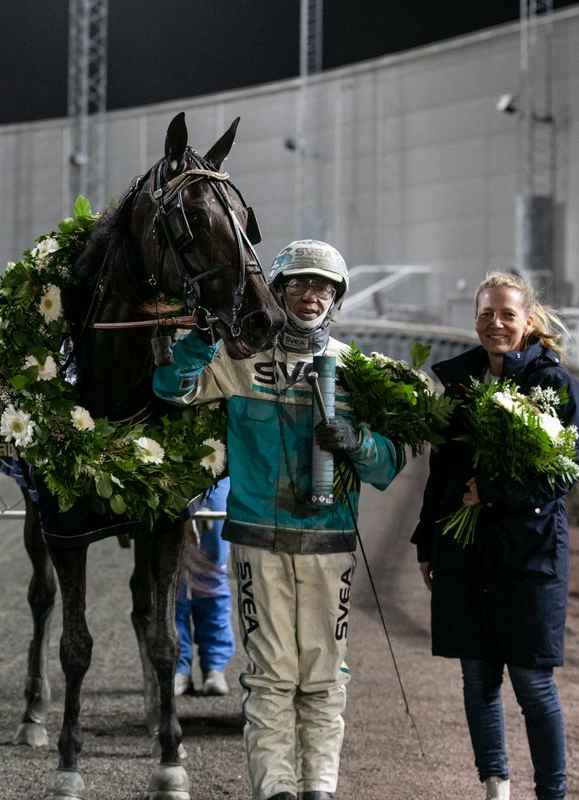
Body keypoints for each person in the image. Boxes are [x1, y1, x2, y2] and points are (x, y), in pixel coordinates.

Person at [153, 240, 404, 800]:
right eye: (299, 284)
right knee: (268, 678)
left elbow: (391, 464)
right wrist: (203, 336)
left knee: (323, 676)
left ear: (336, 298)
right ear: (278, 288)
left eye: (324, 287)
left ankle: (319, 788)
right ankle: (276, 790)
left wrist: (358, 442)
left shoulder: (359, 370)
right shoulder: (240, 360)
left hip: (329, 544)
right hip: (256, 546)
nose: (311, 295)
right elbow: (171, 388)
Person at [410, 271, 579, 800]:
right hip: (465, 551)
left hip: (529, 556)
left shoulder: (553, 385)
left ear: (528, 321)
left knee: (533, 683)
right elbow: (440, 473)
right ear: (475, 320)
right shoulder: (461, 383)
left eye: (507, 314)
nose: (496, 324)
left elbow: (562, 473)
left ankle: (551, 794)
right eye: (486, 314)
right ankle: (495, 787)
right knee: (478, 678)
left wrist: (490, 491)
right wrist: (426, 540)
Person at [174, 476, 235, 698]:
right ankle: (178, 666)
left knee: (212, 571)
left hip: (216, 477)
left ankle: (214, 666)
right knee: (173, 579)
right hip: (172, 477)